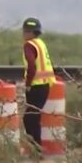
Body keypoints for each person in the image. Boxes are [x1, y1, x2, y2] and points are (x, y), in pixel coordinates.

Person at [21, 17, 55, 151]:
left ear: (29, 32)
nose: (23, 34)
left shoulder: (29, 45)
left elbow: (31, 66)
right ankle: (36, 148)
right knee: (34, 117)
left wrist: (28, 83)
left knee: (30, 119)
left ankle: (37, 149)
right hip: (45, 85)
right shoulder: (40, 43)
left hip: (36, 86)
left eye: (24, 31)